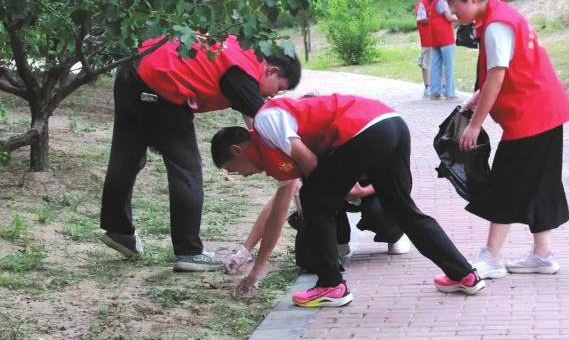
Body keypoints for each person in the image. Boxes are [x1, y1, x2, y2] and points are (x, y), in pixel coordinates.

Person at [211, 93, 485, 307]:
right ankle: (464, 274)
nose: (240, 176)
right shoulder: (272, 153)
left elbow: (309, 162)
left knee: (314, 198)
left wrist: (330, 195)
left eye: (233, 170)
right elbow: (277, 213)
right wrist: (258, 267)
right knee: (402, 209)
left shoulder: (265, 122)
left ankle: (331, 285)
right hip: (392, 123)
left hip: (367, 129)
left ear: (237, 150)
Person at [99, 34, 300, 272]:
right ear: (272, 71)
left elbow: (255, 123)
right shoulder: (244, 70)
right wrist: (293, 165)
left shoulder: (239, 48)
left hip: (131, 70)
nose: (273, 95)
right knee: (187, 168)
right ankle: (189, 251)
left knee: (127, 154)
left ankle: (118, 230)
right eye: (279, 88)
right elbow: (265, 123)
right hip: (161, 84)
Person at [441, 0, 569, 279]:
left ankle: (491, 257)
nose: (451, 11)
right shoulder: (503, 15)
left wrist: (475, 124)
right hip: (546, 111)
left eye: (453, 3)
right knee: (540, 183)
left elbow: (497, 75)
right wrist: (476, 100)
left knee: (504, 183)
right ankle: (542, 255)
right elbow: (505, 68)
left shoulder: (496, 25)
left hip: (531, 116)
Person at [223, 179, 410, 294]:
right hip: (336, 197)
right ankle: (338, 241)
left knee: (378, 214)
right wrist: (245, 250)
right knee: (308, 259)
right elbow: (278, 204)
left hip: (373, 190)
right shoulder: (308, 151)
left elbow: (394, 175)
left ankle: (395, 233)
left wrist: (361, 191)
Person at [425, 0, 458, 101]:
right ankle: (449, 93)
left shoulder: (431, 0)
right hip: (445, 37)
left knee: (435, 65)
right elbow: (448, 17)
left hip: (435, 38)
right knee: (448, 65)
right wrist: (459, 17)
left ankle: (435, 92)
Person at [414, 0, 433, 98]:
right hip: (427, 39)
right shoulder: (424, 2)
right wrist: (435, 19)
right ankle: (427, 87)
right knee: (427, 62)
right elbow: (420, 19)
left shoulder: (439, 0)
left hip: (438, 38)